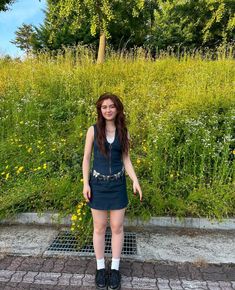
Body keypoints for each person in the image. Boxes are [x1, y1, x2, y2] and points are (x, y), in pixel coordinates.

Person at [82, 92, 142, 290]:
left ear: (118, 109)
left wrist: (135, 180)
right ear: (100, 110)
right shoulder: (92, 130)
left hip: (117, 186)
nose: (108, 110)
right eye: (104, 107)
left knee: (117, 227)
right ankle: (100, 268)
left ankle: (114, 268)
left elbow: (126, 159)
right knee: (99, 228)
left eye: (111, 106)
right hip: (98, 185)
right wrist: (86, 183)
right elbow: (86, 158)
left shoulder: (124, 132)